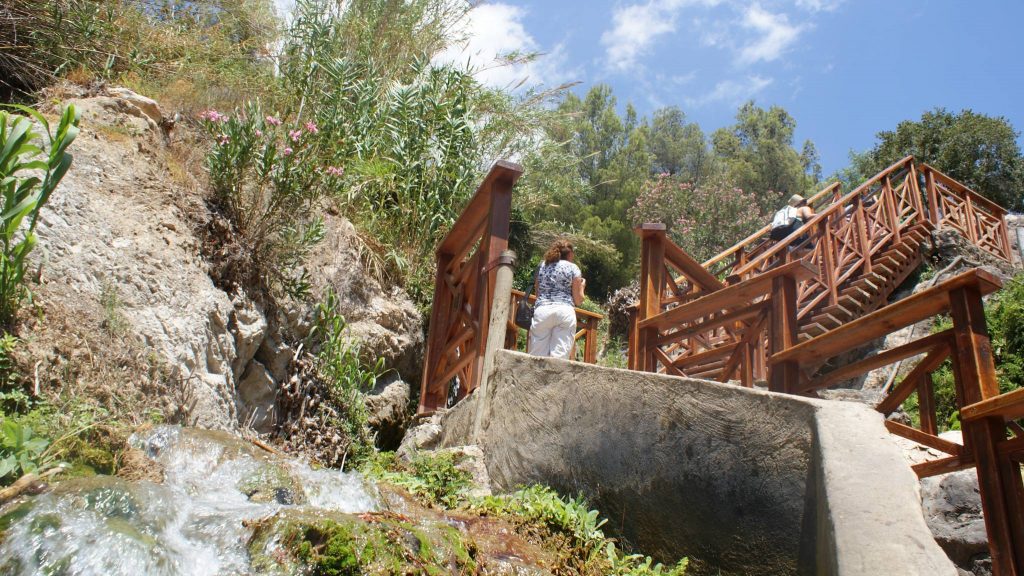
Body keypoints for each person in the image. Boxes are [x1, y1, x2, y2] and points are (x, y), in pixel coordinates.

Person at [528, 239, 585, 359]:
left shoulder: (542, 265)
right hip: (564, 312)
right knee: (558, 360)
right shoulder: (573, 268)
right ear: (570, 254)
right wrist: (582, 287)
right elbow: (578, 300)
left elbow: (538, 293)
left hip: (542, 311)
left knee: (536, 358)